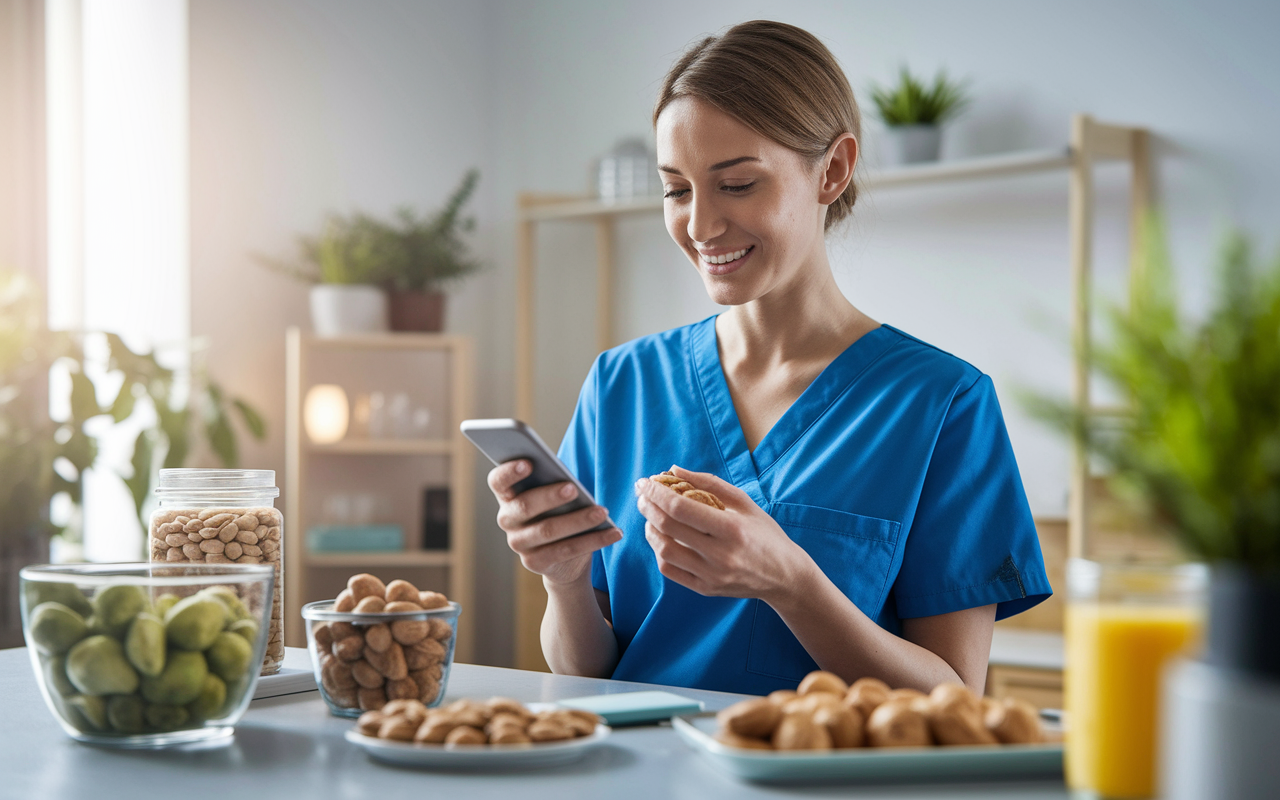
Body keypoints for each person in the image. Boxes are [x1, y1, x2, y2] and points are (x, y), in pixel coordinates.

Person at [487, 20, 1051, 696]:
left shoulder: (940, 403)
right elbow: (585, 671)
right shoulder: (621, 384)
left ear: (833, 171)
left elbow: (955, 697)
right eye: (676, 189)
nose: (699, 226)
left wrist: (791, 582)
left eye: (737, 184)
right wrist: (565, 578)